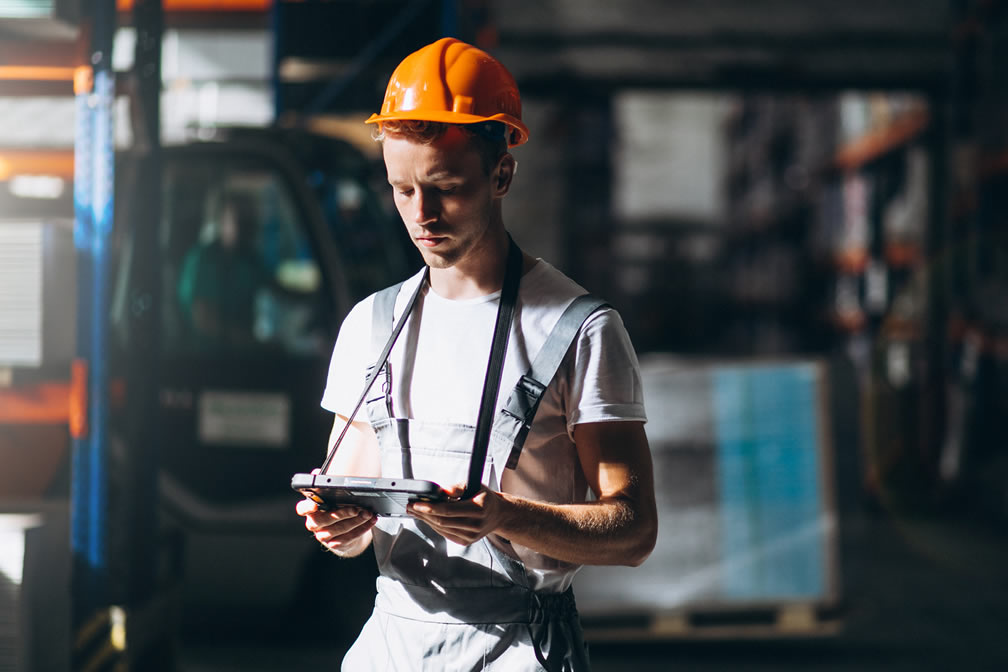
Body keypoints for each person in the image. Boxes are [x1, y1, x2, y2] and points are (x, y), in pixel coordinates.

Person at [296, 37, 657, 671]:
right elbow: (352, 504)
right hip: (393, 644)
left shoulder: (578, 330)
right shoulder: (372, 324)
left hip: (518, 647)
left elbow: (632, 530)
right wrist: (340, 531)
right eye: (402, 190)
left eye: (446, 188)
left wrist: (504, 515)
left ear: (501, 175)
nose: (422, 214)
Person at [177, 191, 265, 348]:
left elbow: (272, 285)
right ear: (223, 222)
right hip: (202, 359)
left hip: (241, 358)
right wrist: (249, 341)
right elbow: (203, 319)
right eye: (240, 221)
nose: (247, 227)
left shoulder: (250, 259)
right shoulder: (203, 259)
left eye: (251, 221)